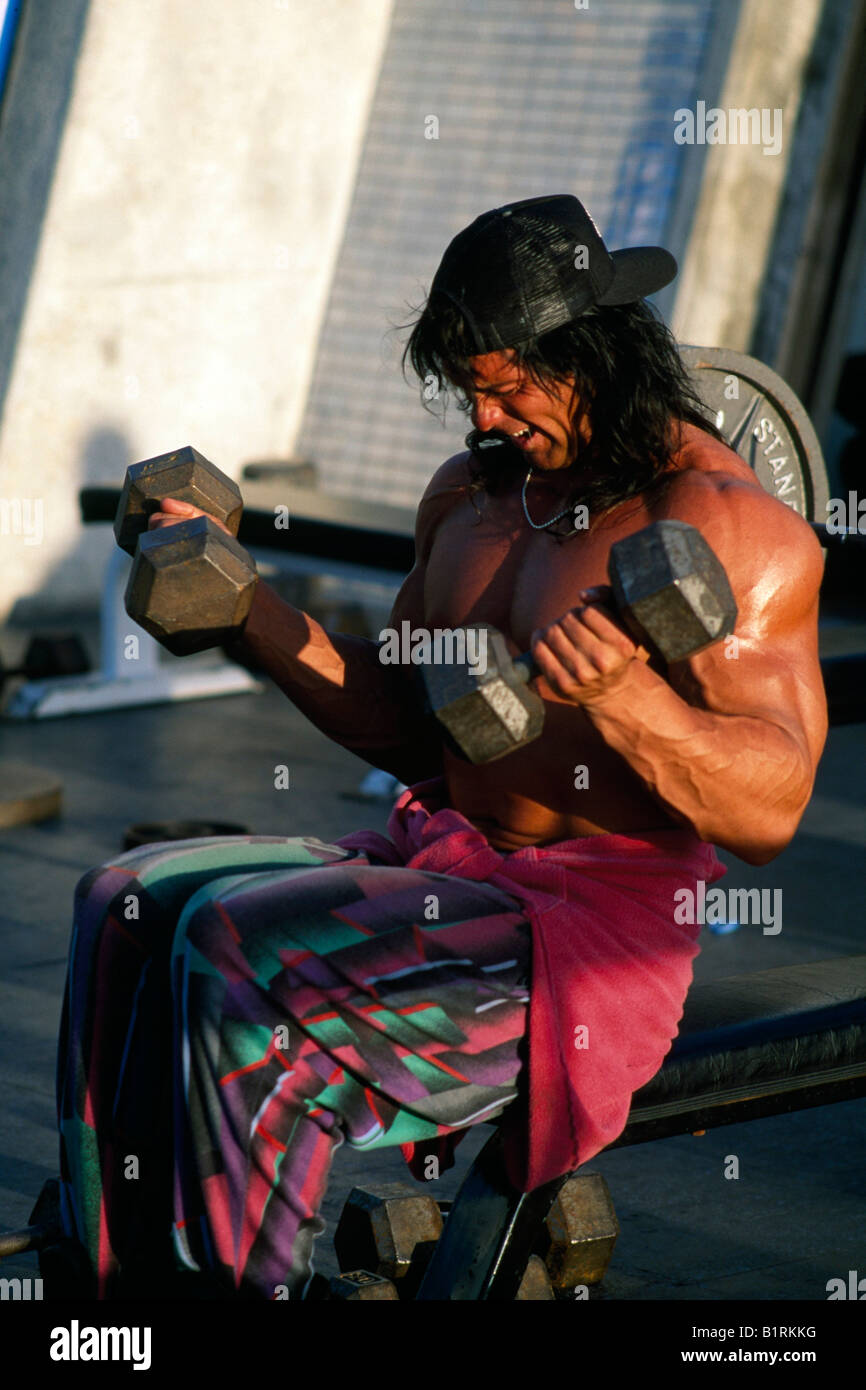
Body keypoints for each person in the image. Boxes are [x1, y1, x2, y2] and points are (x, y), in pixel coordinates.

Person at [55, 195, 827, 1300]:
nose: (482, 410)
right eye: (465, 383)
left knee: (240, 953)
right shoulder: (469, 496)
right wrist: (250, 609)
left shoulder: (723, 523)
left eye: (507, 381)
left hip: (588, 932)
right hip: (443, 865)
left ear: (594, 352)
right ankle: (112, 1285)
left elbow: (773, 809)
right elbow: (402, 723)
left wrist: (626, 703)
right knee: (124, 901)